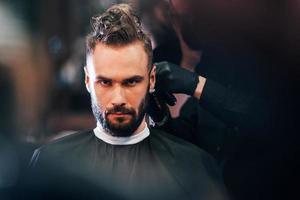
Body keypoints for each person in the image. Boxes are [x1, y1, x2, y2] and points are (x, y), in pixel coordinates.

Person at [22, 4, 228, 200]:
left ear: (152, 79)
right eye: (105, 82)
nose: (118, 99)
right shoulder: (50, 164)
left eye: (131, 82)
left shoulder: (193, 167)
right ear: (87, 81)